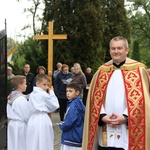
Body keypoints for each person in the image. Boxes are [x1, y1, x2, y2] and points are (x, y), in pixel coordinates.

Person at [82, 36, 150, 150]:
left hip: (129, 129)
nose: (116, 51)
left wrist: (126, 117)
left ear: (127, 50)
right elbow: (94, 99)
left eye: (119, 48)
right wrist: (102, 116)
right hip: (105, 128)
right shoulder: (101, 72)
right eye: (113, 48)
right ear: (109, 51)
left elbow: (144, 99)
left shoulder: (139, 71)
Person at [26, 74, 59, 150]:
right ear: (37, 83)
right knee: (44, 141)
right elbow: (55, 105)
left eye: (47, 85)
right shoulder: (43, 94)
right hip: (42, 119)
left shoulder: (32, 94)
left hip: (32, 120)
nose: (46, 87)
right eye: (44, 85)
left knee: (33, 141)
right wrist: (51, 92)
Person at [59, 82, 85, 150]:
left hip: (70, 137)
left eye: (70, 91)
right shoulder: (80, 103)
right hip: (78, 136)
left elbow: (69, 122)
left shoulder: (73, 106)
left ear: (77, 93)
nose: (68, 93)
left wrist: (61, 125)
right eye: (67, 91)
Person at [7, 75, 30, 150]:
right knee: (21, 145)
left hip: (12, 124)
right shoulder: (21, 99)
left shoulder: (11, 96)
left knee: (13, 145)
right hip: (20, 126)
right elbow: (26, 115)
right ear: (20, 86)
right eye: (25, 83)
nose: (26, 85)